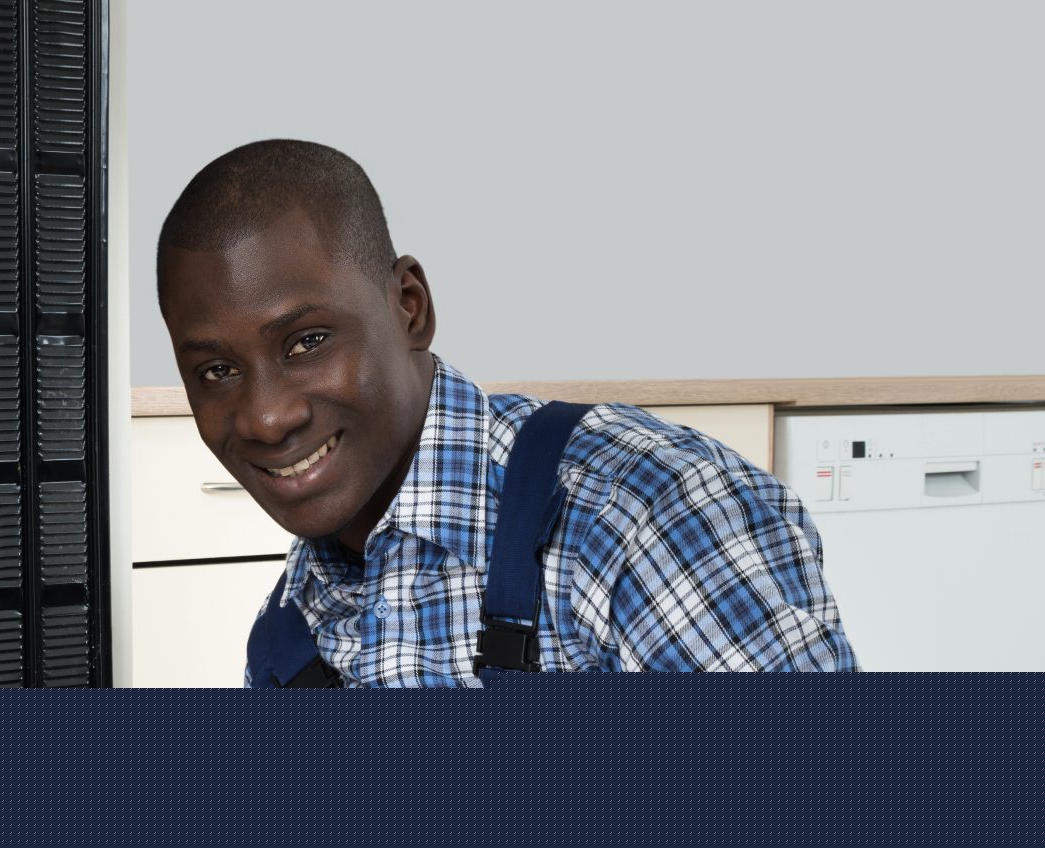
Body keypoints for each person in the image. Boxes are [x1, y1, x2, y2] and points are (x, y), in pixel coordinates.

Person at [154, 140, 858, 683]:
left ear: (409, 309)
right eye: (216, 370)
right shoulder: (285, 637)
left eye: (307, 341)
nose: (267, 417)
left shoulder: (647, 521)